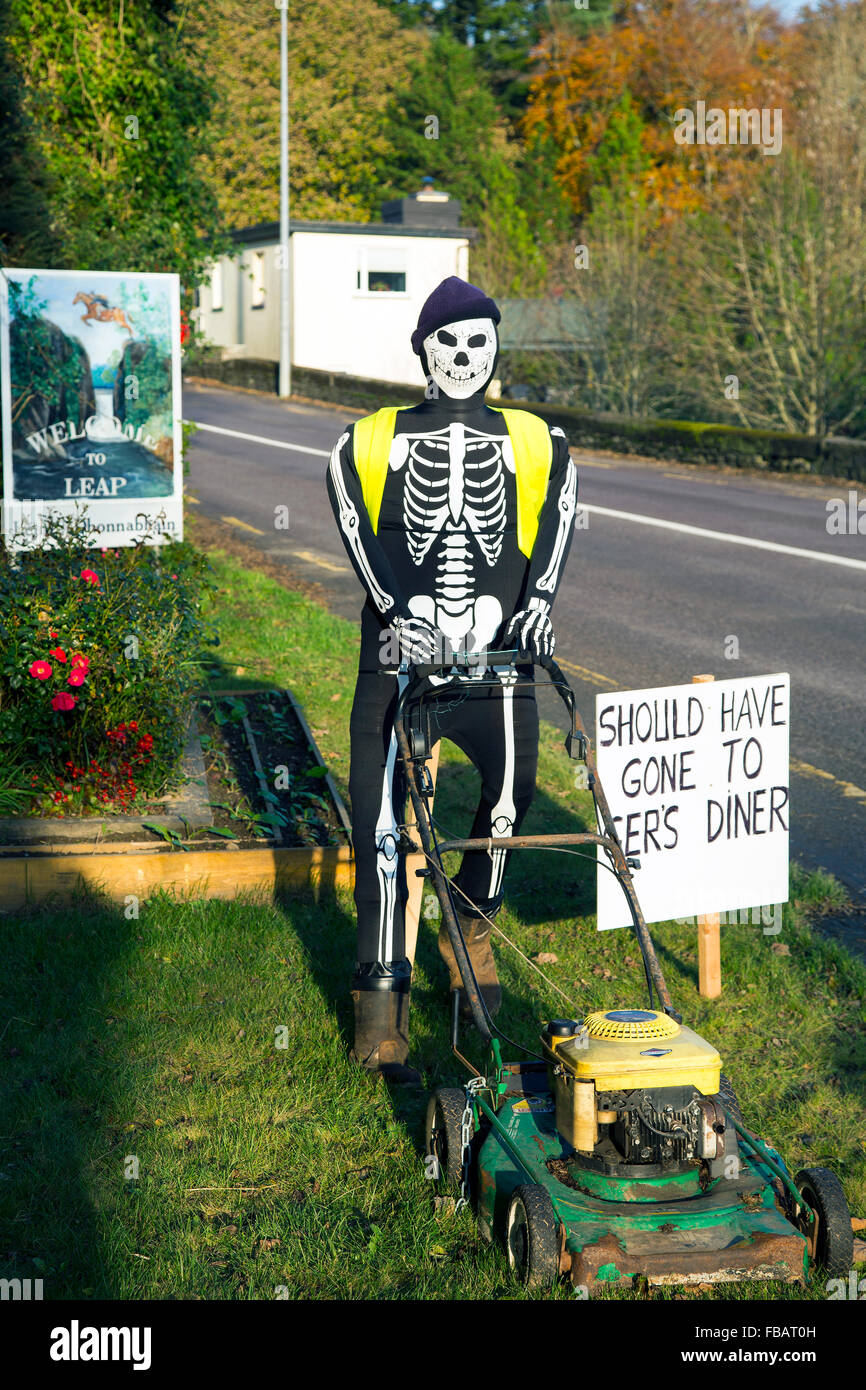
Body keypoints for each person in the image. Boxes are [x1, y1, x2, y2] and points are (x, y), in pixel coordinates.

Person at [326, 276, 578, 1081]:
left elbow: (559, 519)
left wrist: (538, 601)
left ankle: (469, 921)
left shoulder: (540, 441)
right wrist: (398, 608)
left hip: (497, 663)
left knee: (508, 802)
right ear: (423, 353)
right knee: (382, 828)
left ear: (495, 350)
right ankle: (381, 992)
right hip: (400, 666)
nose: (465, 357)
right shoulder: (365, 441)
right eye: (449, 343)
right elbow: (357, 529)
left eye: (479, 342)